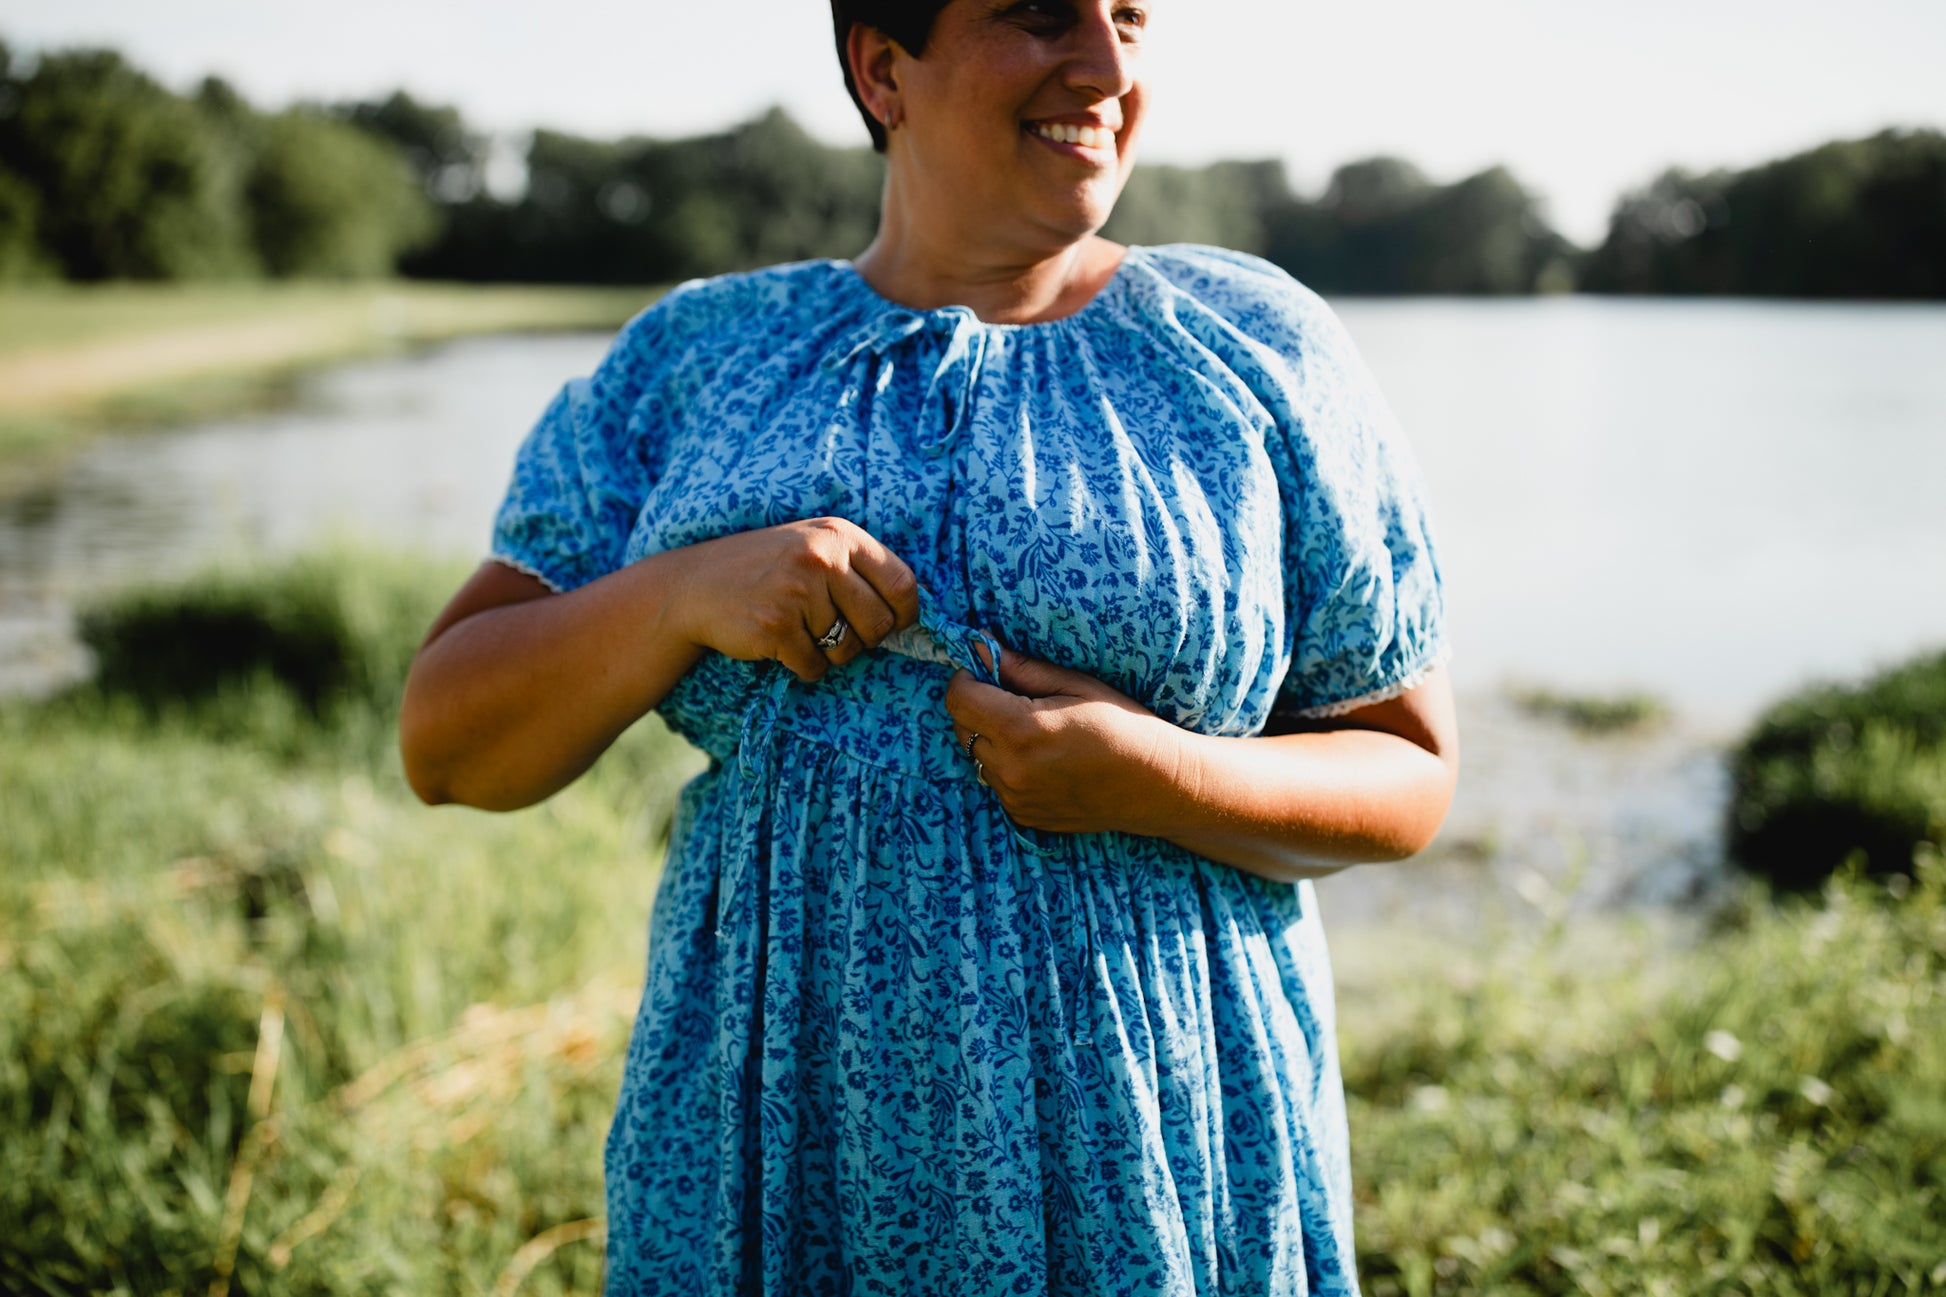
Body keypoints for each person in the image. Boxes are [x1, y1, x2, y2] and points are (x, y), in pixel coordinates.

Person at [399, 0, 1459, 1291]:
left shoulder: (1253, 350)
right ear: (881, 67)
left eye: (1129, 14)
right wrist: (674, 595)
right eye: (1035, 16)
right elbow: (445, 741)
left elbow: (1405, 769)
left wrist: (1152, 776)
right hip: (783, 1154)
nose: (1108, 63)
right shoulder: (700, 357)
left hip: (1150, 1151)